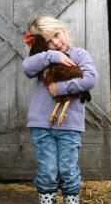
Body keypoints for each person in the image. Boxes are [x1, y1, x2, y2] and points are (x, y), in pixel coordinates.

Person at [22, 15, 98, 204]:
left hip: (69, 126)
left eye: (57, 35)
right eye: (48, 41)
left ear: (63, 29)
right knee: (47, 170)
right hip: (41, 124)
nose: (55, 43)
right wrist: (52, 56)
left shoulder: (80, 55)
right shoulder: (43, 59)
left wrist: (61, 89)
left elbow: (90, 79)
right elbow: (27, 68)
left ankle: (71, 200)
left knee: (68, 169)